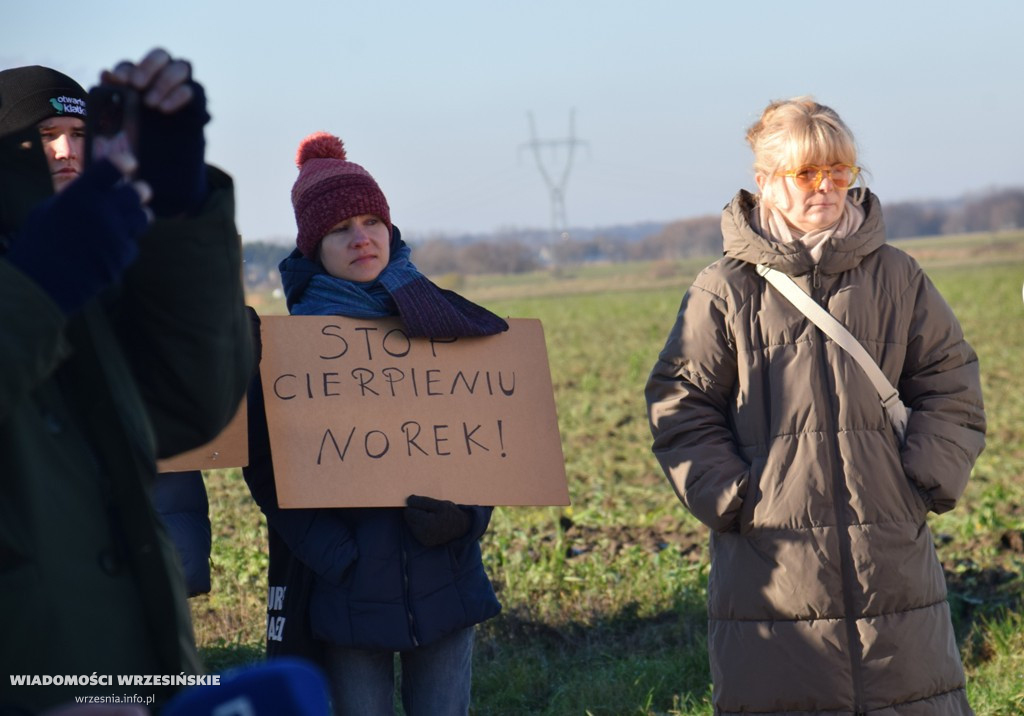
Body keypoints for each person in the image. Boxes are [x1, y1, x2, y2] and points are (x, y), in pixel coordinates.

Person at [645, 97, 986, 715]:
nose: (826, 187)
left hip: (890, 553)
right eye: (807, 173)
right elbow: (681, 403)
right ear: (766, 181)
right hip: (772, 565)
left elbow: (950, 380)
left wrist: (920, 479)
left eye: (840, 171)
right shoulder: (725, 290)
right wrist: (737, 500)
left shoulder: (898, 276)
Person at [0, 50, 252, 713]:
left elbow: (189, 406)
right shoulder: (46, 283)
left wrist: (178, 205)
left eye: (80, 137)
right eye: (41, 140)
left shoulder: (88, 287)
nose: (63, 154)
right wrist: (34, 288)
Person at [243, 131, 507, 716]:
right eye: (341, 229)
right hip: (347, 599)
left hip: (446, 586)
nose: (361, 237)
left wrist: (464, 521)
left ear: (391, 229)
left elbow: (495, 440)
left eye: (372, 221)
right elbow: (268, 473)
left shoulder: (443, 321)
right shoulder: (289, 353)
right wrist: (342, 557)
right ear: (315, 248)